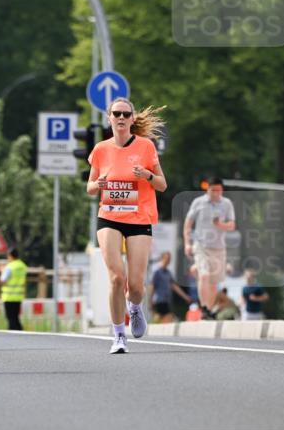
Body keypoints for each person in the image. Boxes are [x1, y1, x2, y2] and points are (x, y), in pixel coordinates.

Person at [87, 98, 167, 354]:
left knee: (135, 284)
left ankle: (134, 307)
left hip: (139, 218)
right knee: (116, 277)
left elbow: (162, 185)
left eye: (125, 114)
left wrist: (148, 176)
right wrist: (98, 184)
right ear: (108, 118)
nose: (120, 118)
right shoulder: (100, 149)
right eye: (116, 114)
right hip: (109, 216)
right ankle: (119, 336)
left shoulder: (145, 147)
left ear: (132, 119)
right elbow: (89, 188)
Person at [183, 177, 236, 319]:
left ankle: (209, 310)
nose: (215, 193)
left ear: (222, 190)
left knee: (213, 283)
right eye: (213, 190)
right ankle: (204, 307)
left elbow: (231, 226)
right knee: (204, 275)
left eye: (218, 190)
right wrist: (187, 243)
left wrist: (221, 225)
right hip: (201, 245)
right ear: (208, 189)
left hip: (218, 248)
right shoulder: (198, 203)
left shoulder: (227, 204)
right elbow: (188, 223)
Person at [148, 251, 191, 323]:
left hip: (166, 299)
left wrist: (185, 297)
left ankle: (154, 328)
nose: (168, 261)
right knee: (164, 317)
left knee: (163, 318)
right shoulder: (157, 272)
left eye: (169, 259)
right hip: (159, 300)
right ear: (162, 259)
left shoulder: (168, 273)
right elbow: (152, 286)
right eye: (167, 259)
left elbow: (174, 286)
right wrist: (150, 300)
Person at [0, 247, 28, 330]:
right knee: (16, 317)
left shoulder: (10, 267)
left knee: (10, 318)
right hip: (18, 296)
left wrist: (2, 271)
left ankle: (13, 334)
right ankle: (20, 332)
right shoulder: (22, 266)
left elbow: (3, 279)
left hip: (9, 296)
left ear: (10, 256)